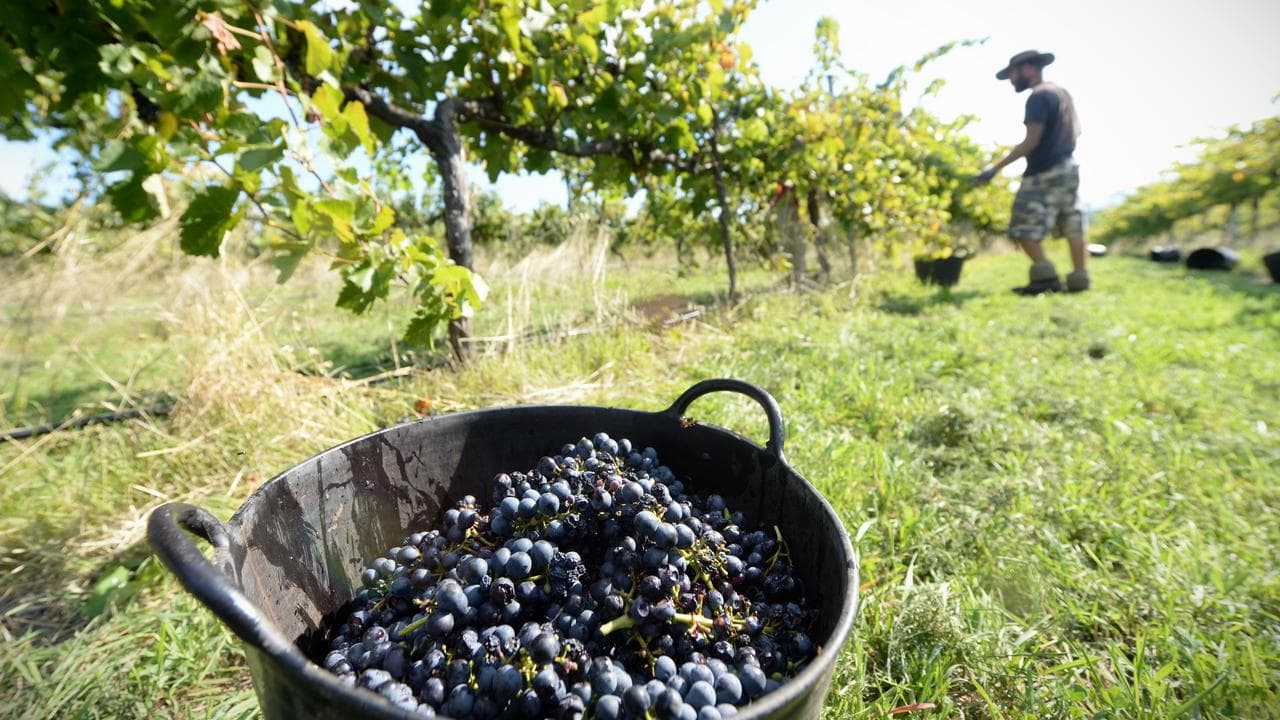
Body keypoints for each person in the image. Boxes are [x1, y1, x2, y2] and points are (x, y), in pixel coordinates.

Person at [973, 50, 1090, 295]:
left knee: (1021, 227)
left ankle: (1045, 277)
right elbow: (1077, 132)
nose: (1012, 80)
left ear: (1027, 68)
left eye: (1013, 74)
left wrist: (994, 169)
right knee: (1072, 223)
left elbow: (1032, 140)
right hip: (1068, 168)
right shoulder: (1062, 93)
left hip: (1044, 171)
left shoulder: (1038, 96)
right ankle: (1079, 279)